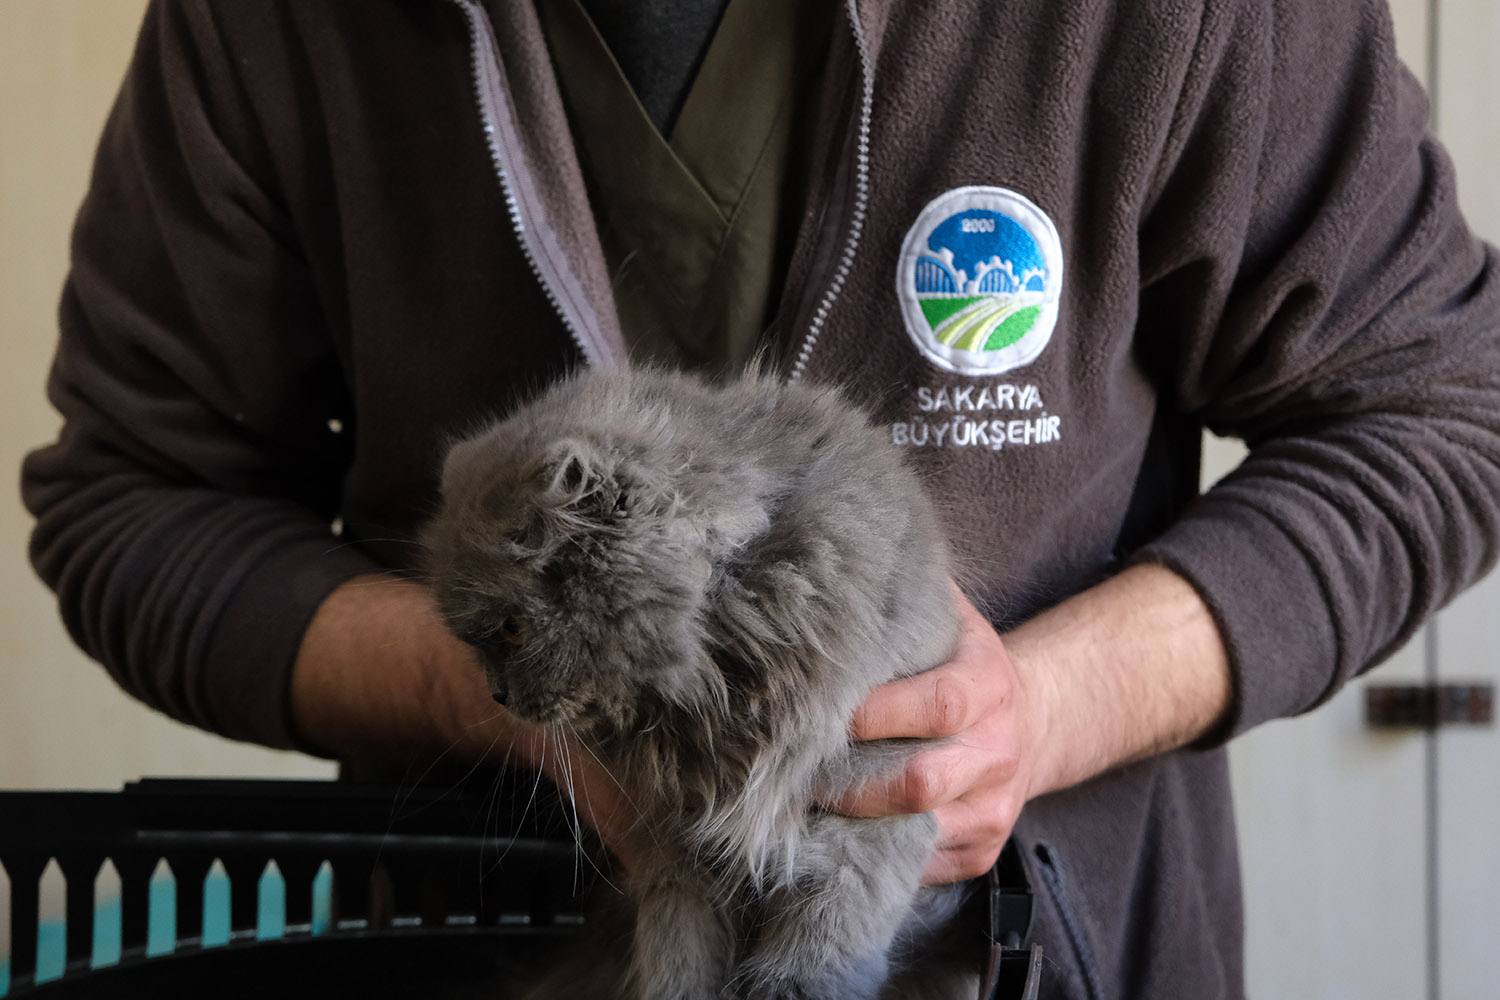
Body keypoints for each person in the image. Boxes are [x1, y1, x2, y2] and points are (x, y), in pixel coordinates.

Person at [22, 0, 1500, 996]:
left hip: (1046, 948)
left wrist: (1035, 716)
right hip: (491, 935)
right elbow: (134, 494)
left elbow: (1442, 410)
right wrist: (510, 690)